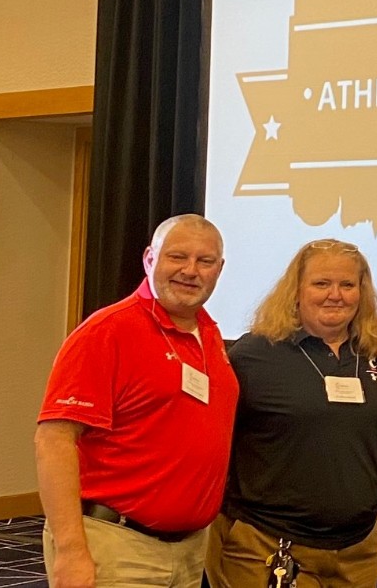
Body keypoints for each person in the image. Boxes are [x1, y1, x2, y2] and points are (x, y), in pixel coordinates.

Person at [36, 213, 238, 588]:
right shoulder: (107, 331)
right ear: (149, 259)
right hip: (115, 547)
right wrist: (70, 550)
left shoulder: (209, 334)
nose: (191, 271)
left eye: (205, 261)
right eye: (177, 257)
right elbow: (54, 441)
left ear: (219, 269)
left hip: (189, 550)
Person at [205, 238, 377, 587]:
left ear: (362, 292)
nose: (335, 295)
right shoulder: (254, 355)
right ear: (296, 290)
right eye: (321, 283)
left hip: (359, 553)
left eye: (347, 285)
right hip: (270, 549)